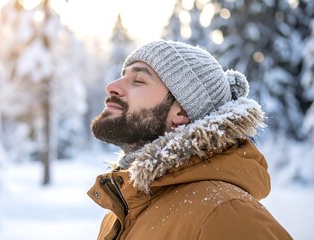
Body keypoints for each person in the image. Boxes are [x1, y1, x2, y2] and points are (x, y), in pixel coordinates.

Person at [88, 40, 292, 240]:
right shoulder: (123, 212)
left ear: (182, 112)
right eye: (122, 76)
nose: (111, 86)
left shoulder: (224, 216)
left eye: (138, 81)